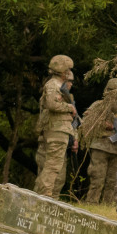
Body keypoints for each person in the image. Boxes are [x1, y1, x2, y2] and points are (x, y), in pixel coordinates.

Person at [84, 78, 117, 204]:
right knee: (97, 178)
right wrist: (105, 124)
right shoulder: (98, 105)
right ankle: (92, 203)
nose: (114, 94)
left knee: (113, 181)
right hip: (101, 146)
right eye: (112, 91)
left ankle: (107, 206)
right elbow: (87, 120)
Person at [34, 54, 79, 198]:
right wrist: (69, 108)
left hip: (58, 130)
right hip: (57, 130)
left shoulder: (57, 86)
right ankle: (44, 197)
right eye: (67, 70)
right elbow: (52, 104)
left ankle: (46, 198)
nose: (68, 73)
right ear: (63, 71)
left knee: (53, 167)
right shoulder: (53, 85)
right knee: (53, 167)